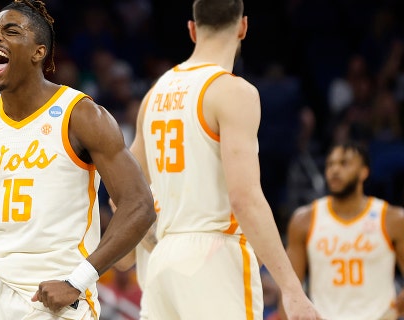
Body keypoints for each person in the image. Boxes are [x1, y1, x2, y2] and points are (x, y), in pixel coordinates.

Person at [0, 1, 156, 319]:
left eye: (11, 31)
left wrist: (78, 280)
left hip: (57, 296)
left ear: (39, 52)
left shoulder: (80, 114)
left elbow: (139, 205)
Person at [128, 0, 320, 318]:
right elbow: (244, 198)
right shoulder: (232, 91)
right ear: (243, 26)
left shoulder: (155, 93)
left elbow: (127, 191)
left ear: (192, 29)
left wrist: (151, 240)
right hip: (214, 256)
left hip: (163, 260)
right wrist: (291, 288)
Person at [284, 142, 404, 320]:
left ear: (364, 172)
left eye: (344, 163)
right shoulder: (304, 221)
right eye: (330, 164)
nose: (335, 170)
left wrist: (393, 312)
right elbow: (289, 288)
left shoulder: (392, 219)